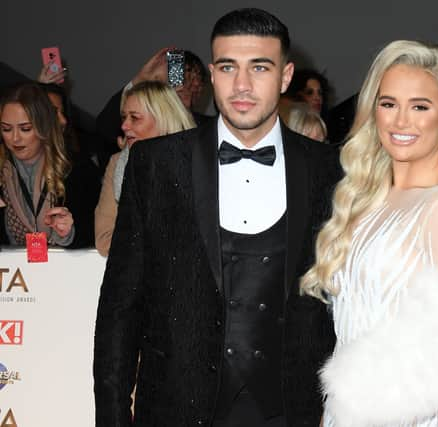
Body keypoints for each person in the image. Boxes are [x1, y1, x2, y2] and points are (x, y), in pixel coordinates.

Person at [93, 8, 340, 427]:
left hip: (291, 410)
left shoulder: (330, 169)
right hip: (175, 409)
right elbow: (120, 308)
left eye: (259, 68)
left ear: (285, 76)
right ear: (211, 73)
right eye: (228, 67)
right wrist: (112, 417)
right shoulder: (156, 164)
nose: (241, 85)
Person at [300, 40, 438, 427]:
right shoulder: (370, 197)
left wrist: (358, 399)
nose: (400, 121)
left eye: (420, 106)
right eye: (388, 104)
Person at [94, 81, 196, 256]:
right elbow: (104, 241)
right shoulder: (118, 163)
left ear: (163, 119)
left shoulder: (197, 162)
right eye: (124, 117)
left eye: (135, 117)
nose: (124, 126)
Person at [0, 82, 98, 247]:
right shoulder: (2, 170)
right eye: (6, 129)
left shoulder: (77, 169)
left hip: (65, 270)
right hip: (11, 270)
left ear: (44, 126)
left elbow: (95, 233)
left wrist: (69, 232)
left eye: (25, 129)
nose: (15, 138)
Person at [95, 48, 211, 172]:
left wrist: (182, 109)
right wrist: (140, 81)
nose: (191, 85)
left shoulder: (208, 128)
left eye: (197, 80)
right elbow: (105, 128)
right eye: (185, 76)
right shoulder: (144, 120)